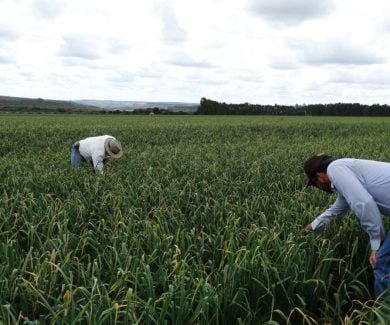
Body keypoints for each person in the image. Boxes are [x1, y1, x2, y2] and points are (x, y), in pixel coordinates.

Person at [303, 154, 390, 297]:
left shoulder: (335, 169)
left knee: (381, 260)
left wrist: (376, 243)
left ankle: (384, 315)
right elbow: (335, 212)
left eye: (314, 184)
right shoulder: (344, 172)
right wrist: (308, 229)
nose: (318, 187)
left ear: (319, 176)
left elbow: (364, 203)